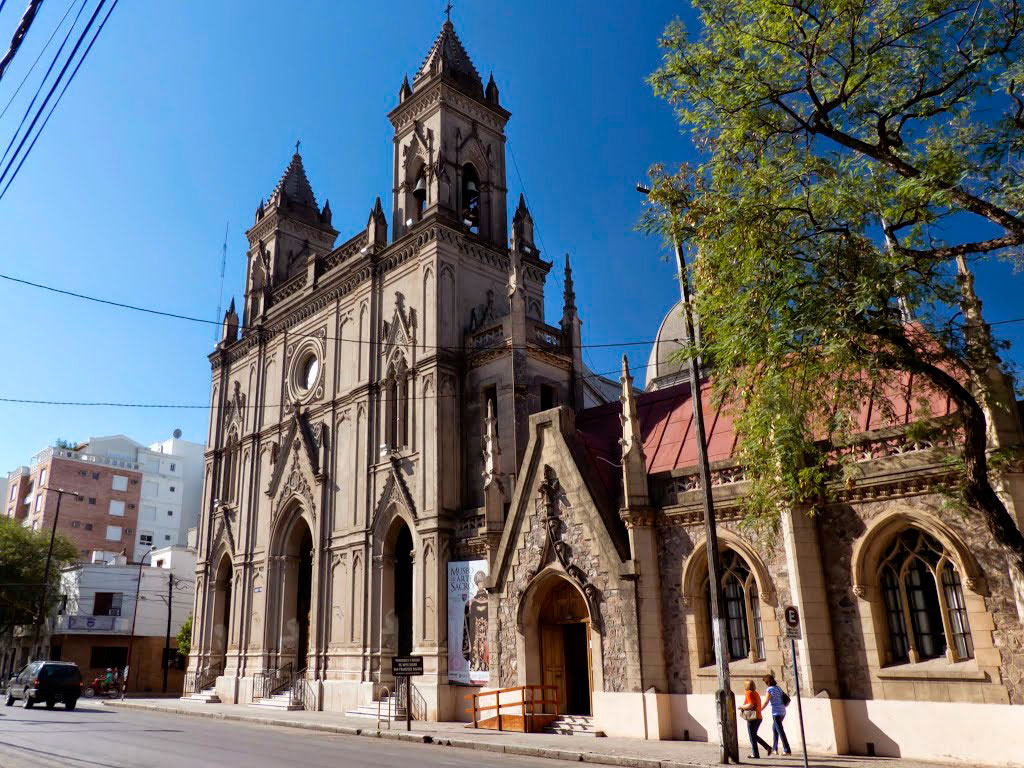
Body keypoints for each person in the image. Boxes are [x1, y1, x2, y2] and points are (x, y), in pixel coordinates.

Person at [739, 679, 772, 759]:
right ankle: (767, 747)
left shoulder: (748, 693)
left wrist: (741, 707)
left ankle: (756, 754)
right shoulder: (755, 693)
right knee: (753, 735)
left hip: (752, 717)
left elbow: (750, 705)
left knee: (752, 736)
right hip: (759, 716)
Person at [763, 674, 792, 755]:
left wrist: (759, 709)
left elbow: (766, 701)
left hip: (776, 713)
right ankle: (774, 749)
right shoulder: (778, 688)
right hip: (783, 711)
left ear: (767, 682)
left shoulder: (769, 689)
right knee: (775, 729)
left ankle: (787, 750)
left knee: (780, 731)